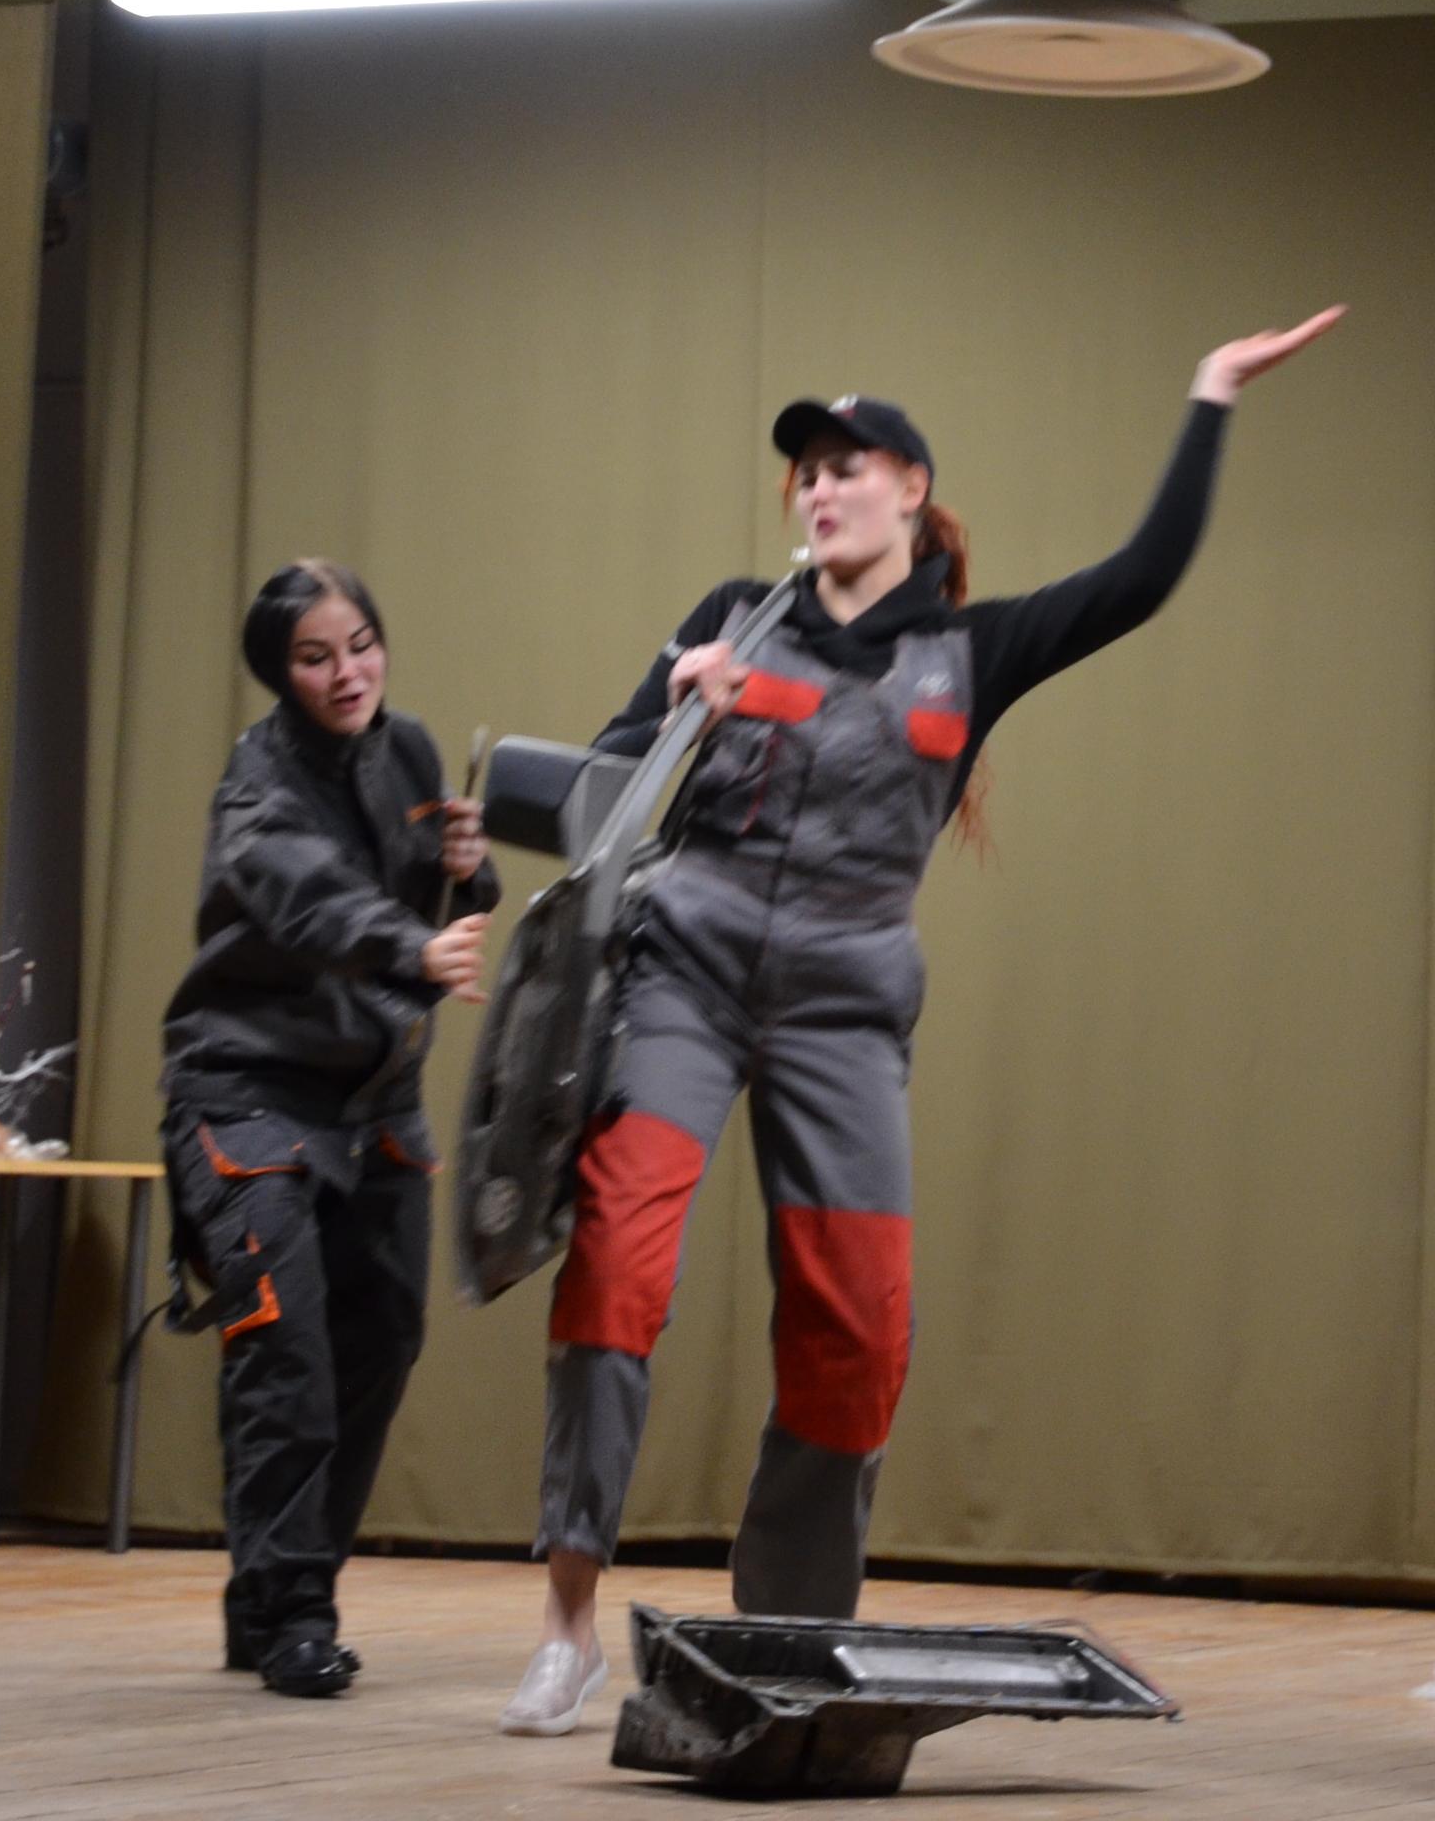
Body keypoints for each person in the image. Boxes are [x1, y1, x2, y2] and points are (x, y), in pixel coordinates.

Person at [499, 309, 1346, 1736]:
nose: (821, 488)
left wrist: (1211, 395)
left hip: (843, 1014)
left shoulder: (974, 649)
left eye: (850, 466)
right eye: (808, 472)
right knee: (618, 1263)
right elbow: (597, 797)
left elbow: (1141, 578)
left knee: (861, 1330)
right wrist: (675, 716)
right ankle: (569, 1627)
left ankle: (784, 1642)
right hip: (683, 979)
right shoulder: (730, 620)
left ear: (910, 489)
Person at [159, 560, 496, 1699]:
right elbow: (308, 892)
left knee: (381, 1342)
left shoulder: (410, 752)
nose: (348, 672)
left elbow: (438, 902)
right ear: (280, 672)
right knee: (285, 1352)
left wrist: (467, 869)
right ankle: (296, 1610)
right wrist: (413, 944)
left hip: (376, 1105)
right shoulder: (255, 785)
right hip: (246, 1094)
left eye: (360, 645)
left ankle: (268, 1597)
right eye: (315, 657)